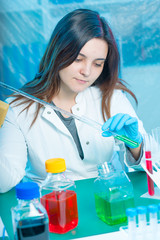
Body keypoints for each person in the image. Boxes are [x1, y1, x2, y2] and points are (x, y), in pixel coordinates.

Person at [0, 9, 146, 193]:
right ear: (58, 51)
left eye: (97, 64)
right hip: (52, 206)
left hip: (109, 199)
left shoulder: (112, 97)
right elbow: (5, 182)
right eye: (78, 59)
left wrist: (137, 145)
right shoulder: (18, 109)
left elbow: (151, 167)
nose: (87, 71)